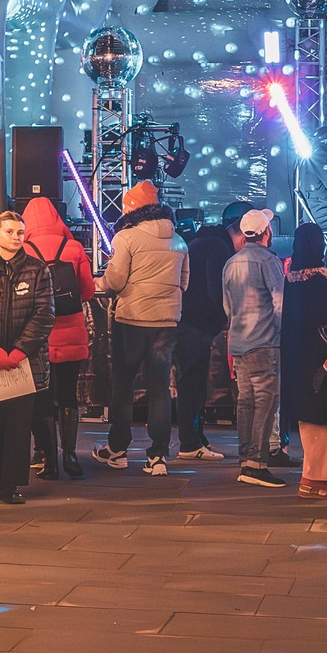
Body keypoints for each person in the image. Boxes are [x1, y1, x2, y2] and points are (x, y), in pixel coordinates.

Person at [94, 181, 188, 476]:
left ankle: (118, 450)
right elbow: (185, 283)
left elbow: (116, 280)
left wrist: (99, 283)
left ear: (132, 209)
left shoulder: (127, 237)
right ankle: (158, 456)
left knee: (123, 385)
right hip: (166, 322)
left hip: (132, 320)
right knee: (159, 387)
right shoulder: (179, 240)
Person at [0, 210, 54, 504]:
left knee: (18, 423)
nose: (15, 237)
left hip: (24, 362)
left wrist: (18, 351)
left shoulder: (38, 269)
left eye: (19, 232)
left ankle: (9, 483)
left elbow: (44, 314)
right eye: (9, 232)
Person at [281, 224, 327, 499]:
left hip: (297, 361)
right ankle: (322, 479)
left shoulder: (291, 280)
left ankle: (310, 477)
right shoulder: (320, 281)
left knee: (308, 422)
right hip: (323, 362)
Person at [21, 196, 94, 480]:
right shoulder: (74, 248)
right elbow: (86, 292)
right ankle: (71, 455)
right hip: (71, 334)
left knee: (41, 398)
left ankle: (48, 460)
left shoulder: (24, 249)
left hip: (37, 337)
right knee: (68, 396)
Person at [176, 202, 245, 463]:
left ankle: (195, 437)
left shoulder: (205, 241)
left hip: (189, 321)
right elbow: (216, 290)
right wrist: (226, 316)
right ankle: (190, 442)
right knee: (192, 383)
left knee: (191, 382)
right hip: (196, 323)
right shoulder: (217, 247)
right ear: (238, 232)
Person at [223, 208, 287, 488]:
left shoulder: (231, 262)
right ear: (266, 233)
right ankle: (256, 464)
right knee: (265, 402)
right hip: (264, 343)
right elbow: (279, 303)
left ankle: (245, 459)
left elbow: (228, 307)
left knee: (245, 402)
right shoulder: (268, 261)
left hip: (239, 342)